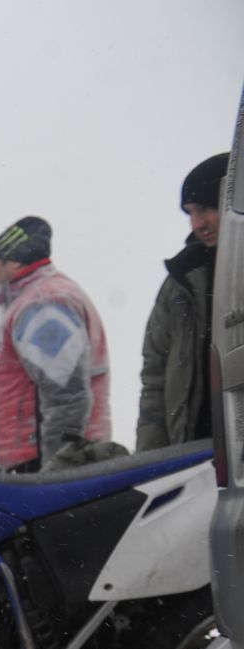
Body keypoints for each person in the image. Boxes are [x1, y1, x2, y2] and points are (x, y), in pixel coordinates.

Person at [0, 217, 115, 473]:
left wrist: (57, 468)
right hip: (35, 457)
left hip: (41, 460)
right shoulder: (36, 300)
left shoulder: (43, 306)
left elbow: (67, 396)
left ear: (15, 263)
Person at [137, 153, 229, 452]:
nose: (197, 223)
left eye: (204, 209)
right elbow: (155, 379)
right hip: (194, 458)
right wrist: (149, 465)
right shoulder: (179, 282)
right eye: (190, 213)